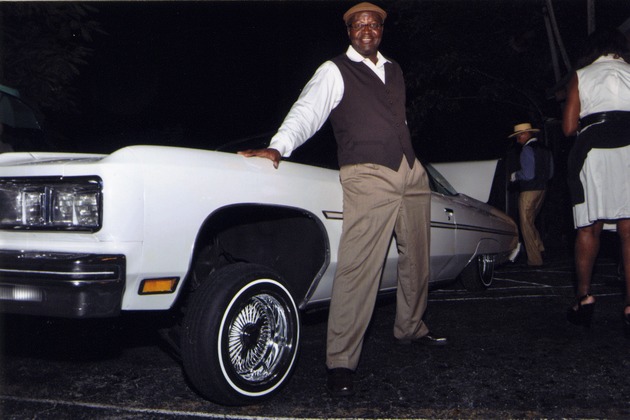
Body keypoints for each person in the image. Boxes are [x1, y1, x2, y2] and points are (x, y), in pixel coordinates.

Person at [239, 2, 447, 397]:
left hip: (411, 171)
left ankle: (410, 327)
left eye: (373, 24)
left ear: (382, 30)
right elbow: (307, 112)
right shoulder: (334, 70)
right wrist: (278, 147)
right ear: (349, 31)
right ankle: (341, 360)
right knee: (358, 268)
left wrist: (413, 165)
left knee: (418, 256)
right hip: (367, 174)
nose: (366, 30)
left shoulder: (394, 69)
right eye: (358, 24)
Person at [562, 27, 630, 332]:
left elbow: (567, 128)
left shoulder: (582, 74)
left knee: (589, 227)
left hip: (592, 153)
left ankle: (584, 296)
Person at [508, 122, 553, 267]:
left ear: (525, 134)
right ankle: (540, 247)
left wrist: (515, 175)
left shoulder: (527, 149)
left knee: (525, 225)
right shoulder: (545, 149)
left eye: (518, 136)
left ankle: (535, 260)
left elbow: (528, 174)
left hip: (529, 191)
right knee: (530, 221)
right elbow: (551, 173)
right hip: (542, 189)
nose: (517, 140)